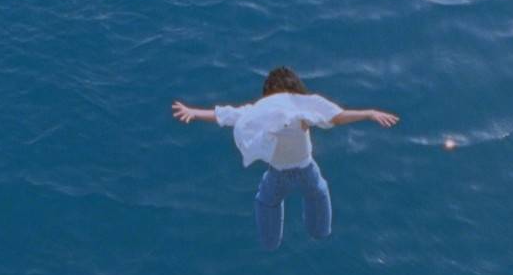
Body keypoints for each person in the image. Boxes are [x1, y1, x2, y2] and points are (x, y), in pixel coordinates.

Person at [171, 66, 400, 249]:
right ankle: (318, 233)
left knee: (267, 204)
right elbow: (336, 117)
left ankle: (272, 243)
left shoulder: (263, 112)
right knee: (317, 195)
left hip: (278, 174)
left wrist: (194, 112)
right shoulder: (302, 111)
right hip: (305, 171)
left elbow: (226, 115)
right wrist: (368, 113)